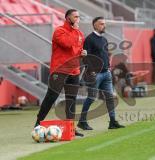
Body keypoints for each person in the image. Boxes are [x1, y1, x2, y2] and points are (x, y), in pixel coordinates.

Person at [34, 9, 86, 137]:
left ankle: (71, 128)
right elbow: (68, 44)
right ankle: (38, 123)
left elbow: (76, 49)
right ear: (68, 18)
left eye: (79, 16)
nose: (78, 19)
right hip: (60, 69)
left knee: (71, 99)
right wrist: (74, 31)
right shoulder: (59, 31)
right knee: (52, 96)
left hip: (74, 70)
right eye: (75, 16)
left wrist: (82, 53)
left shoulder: (79, 33)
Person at [77, 17, 125, 130]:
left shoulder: (104, 39)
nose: (104, 26)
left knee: (110, 98)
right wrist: (92, 70)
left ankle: (112, 122)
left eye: (104, 24)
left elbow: (105, 55)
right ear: (95, 25)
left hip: (106, 73)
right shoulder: (89, 39)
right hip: (95, 75)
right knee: (91, 98)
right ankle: (82, 121)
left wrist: (108, 68)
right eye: (101, 24)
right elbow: (85, 57)